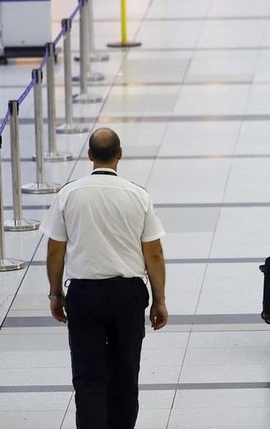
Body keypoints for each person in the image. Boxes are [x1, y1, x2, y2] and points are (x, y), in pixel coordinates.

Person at [41, 128, 168, 428]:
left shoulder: (68, 194)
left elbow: (54, 252)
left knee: (88, 377)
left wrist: (55, 294)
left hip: (84, 295)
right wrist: (159, 300)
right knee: (126, 374)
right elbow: (154, 255)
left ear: (89, 156)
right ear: (120, 154)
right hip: (128, 294)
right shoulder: (138, 196)